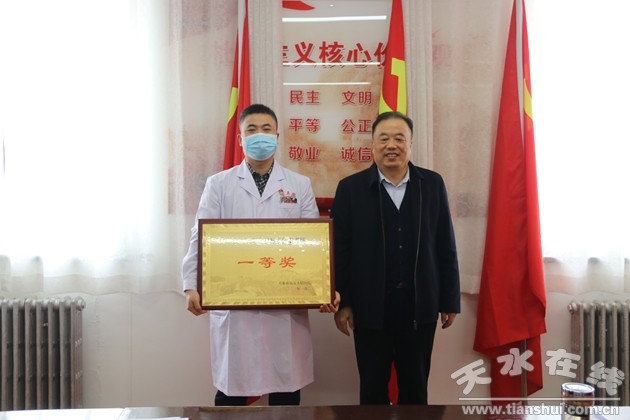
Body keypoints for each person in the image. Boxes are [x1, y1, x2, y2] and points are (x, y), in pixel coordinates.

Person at [182, 103, 339, 406]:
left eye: (266, 129)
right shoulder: (219, 184)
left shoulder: (298, 185)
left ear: (277, 136)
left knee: (285, 392)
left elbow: (313, 244)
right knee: (232, 393)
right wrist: (191, 285)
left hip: (285, 304)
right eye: (251, 130)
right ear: (240, 139)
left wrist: (325, 287)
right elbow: (200, 236)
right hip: (235, 303)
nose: (260, 136)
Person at [331, 111, 460, 405]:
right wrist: (344, 301)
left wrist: (449, 300)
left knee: (415, 389)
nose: (392, 145)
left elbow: (445, 245)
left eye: (399, 138)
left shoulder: (432, 184)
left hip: (420, 306)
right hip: (368, 307)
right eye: (384, 138)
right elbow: (340, 250)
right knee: (372, 390)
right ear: (372, 145)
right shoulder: (350, 189)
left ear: (410, 144)